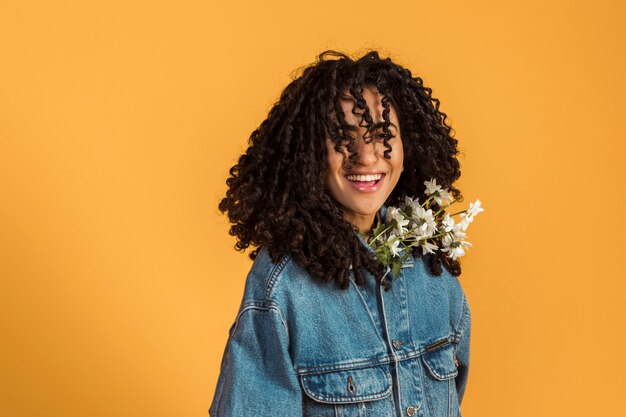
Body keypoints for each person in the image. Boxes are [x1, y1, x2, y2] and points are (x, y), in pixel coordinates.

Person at [209, 50, 471, 417]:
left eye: (382, 135)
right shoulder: (282, 289)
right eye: (342, 138)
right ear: (309, 152)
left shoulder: (435, 277)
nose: (365, 157)